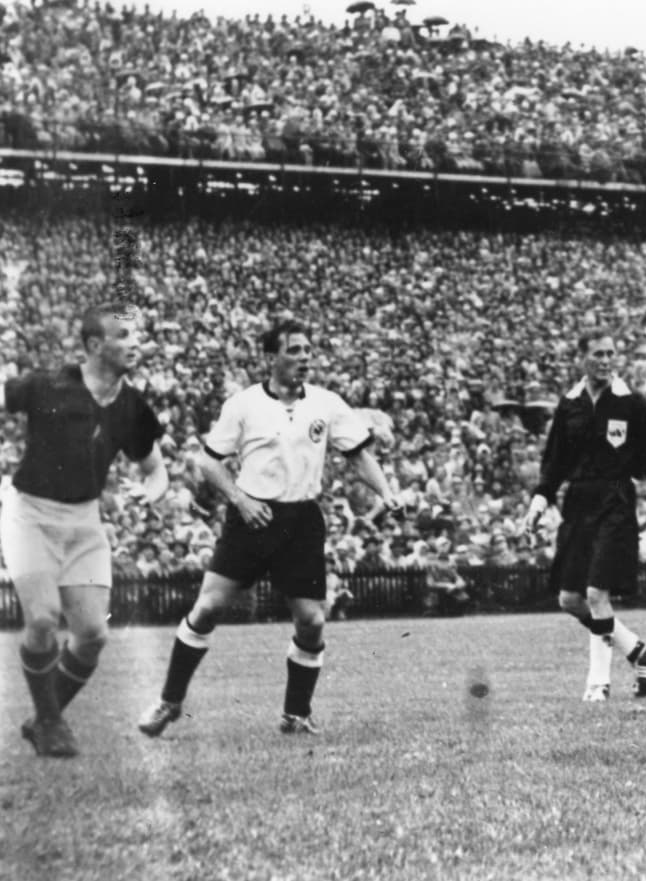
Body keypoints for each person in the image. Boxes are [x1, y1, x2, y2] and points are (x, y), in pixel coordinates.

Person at [138, 319, 401, 737]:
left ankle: (295, 714)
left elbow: (358, 454)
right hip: (250, 518)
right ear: (270, 356)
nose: (304, 358)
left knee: (312, 622)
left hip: (300, 521)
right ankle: (169, 701)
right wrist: (241, 500)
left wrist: (387, 492)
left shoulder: (327, 404)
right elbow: (207, 462)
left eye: (308, 350)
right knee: (207, 608)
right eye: (294, 350)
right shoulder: (243, 404)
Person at [3, 303, 167, 757]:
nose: (136, 343)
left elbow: (156, 469)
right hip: (30, 515)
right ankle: (52, 722)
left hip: (84, 520)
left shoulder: (132, 405)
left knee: (93, 634)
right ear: (95, 345)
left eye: (137, 335)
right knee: (41, 618)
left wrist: (151, 492)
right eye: (125, 336)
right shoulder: (47, 384)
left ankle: (42, 719)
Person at [520, 326, 646, 701]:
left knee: (596, 591)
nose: (605, 361)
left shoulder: (630, 402)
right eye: (598, 354)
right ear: (582, 357)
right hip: (578, 504)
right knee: (570, 600)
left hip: (616, 499)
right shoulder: (569, 404)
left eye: (610, 354)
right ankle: (638, 651)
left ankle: (598, 685)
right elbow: (553, 465)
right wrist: (537, 506)